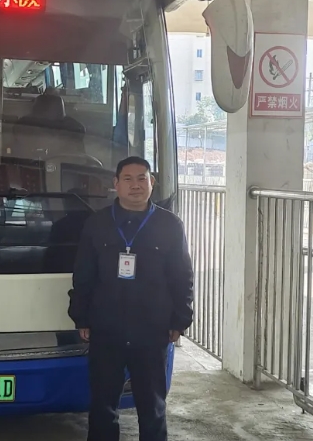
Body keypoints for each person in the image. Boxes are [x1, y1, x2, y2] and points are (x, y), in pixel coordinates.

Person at [68, 156, 194, 441]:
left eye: (142, 179)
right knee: (103, 406)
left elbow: (182, 275)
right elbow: (84, 274)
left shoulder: (170, 224)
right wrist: (81, 316)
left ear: (152, 183)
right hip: (106, 327)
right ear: (116, 184)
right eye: (128, 179)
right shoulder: (97, 223)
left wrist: (180, 319)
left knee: (152, 406)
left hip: (152, 329)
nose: (135, 185)